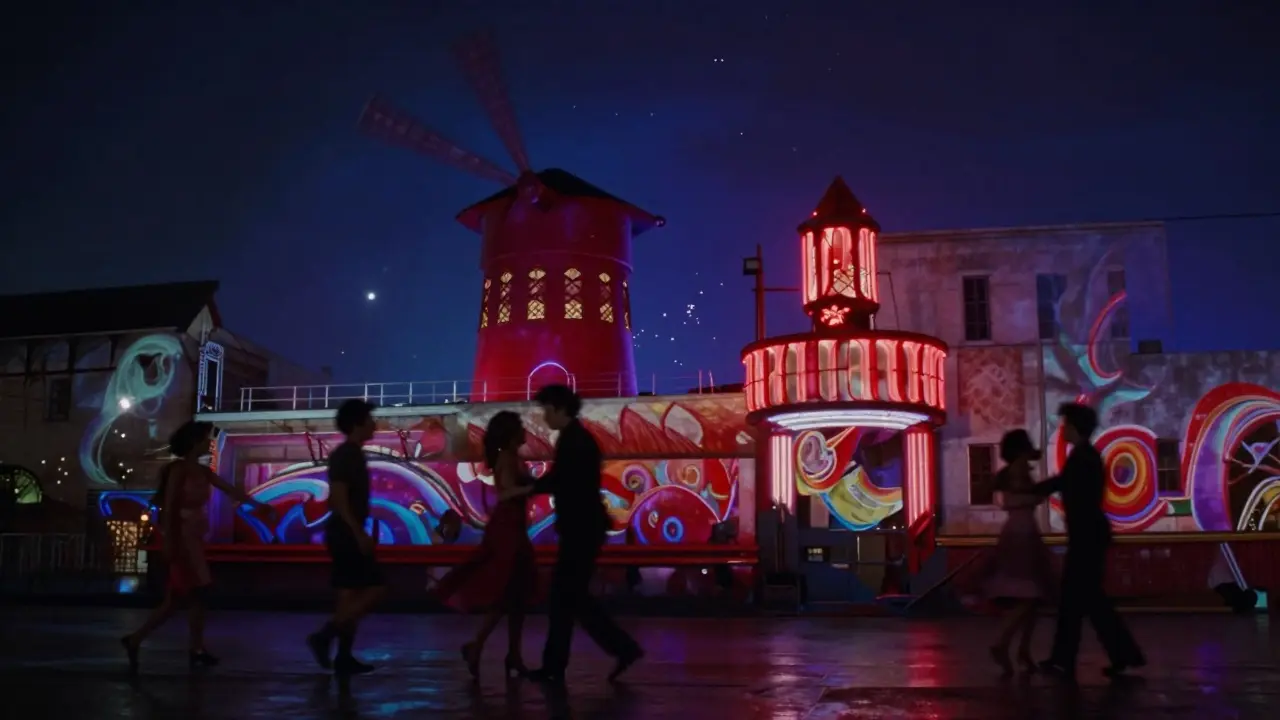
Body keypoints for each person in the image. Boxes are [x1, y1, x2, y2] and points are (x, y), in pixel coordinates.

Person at [121, 420, 272, 672]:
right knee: (197, 592)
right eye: (205, 438)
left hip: (193, 539)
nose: (209, 442)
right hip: (182, 539)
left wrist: (259, 506)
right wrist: (169, 539)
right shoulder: (179, 470)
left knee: (182, 598)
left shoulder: (201, 472)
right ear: (194, 442)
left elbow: (231, 490)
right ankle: (189, 647)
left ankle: (145, 640)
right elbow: (169, 506)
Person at [524, 385, 643, 686]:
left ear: (560, 408)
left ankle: (618, 649)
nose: (544, 416)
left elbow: (562, 479)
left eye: (546, 410)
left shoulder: (574, 441)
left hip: (581, 529)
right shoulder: (576, 438)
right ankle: (562, 664)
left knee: (566, 597)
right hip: (584, 528)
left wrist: (528, 488)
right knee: (569, 598)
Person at [1031, 403, 1146, 680]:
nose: (1062, 429)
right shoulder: (1085, 456)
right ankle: (1117, 655)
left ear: (1074, 427)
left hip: (1086, 538)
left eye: (1065, 424)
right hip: (1089, 537)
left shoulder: (1084, 458)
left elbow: (1062, 483)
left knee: (1077, 600)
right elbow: (1063, 483)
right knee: (1089, 602)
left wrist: (1031, 489)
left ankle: (1069, 659)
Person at [429, 411, 537, 682]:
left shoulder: (512, 457)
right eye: (521, 426)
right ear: (512, 433)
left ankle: (505, 652)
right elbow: (506, 492)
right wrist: (534, 488)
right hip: (507, 528)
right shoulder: (506, 458)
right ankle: (488, 648)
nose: (525, 430)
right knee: (509, 590)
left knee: (516, 593)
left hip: (513, 527)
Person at [306, 399, 386, 675]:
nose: (374, 424)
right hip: (345, 532)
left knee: (349, 597)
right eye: (370, 419)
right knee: (375, 588)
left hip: (344, 531)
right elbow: (339, 498)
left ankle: (343, 656)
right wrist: (358, 532)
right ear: (357, 424)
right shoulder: (347, 455)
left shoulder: (352, 454)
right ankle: (324, 637)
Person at [983, 429, 1053, 675]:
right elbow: (1020, 498)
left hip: (1018, 528)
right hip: (1023, 530)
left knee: (1032, 597)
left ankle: (1023, 650)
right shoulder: (1018, 470)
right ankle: (1002, 642)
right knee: (1030, 594)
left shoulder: (1010, 470)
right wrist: (1039, 494)